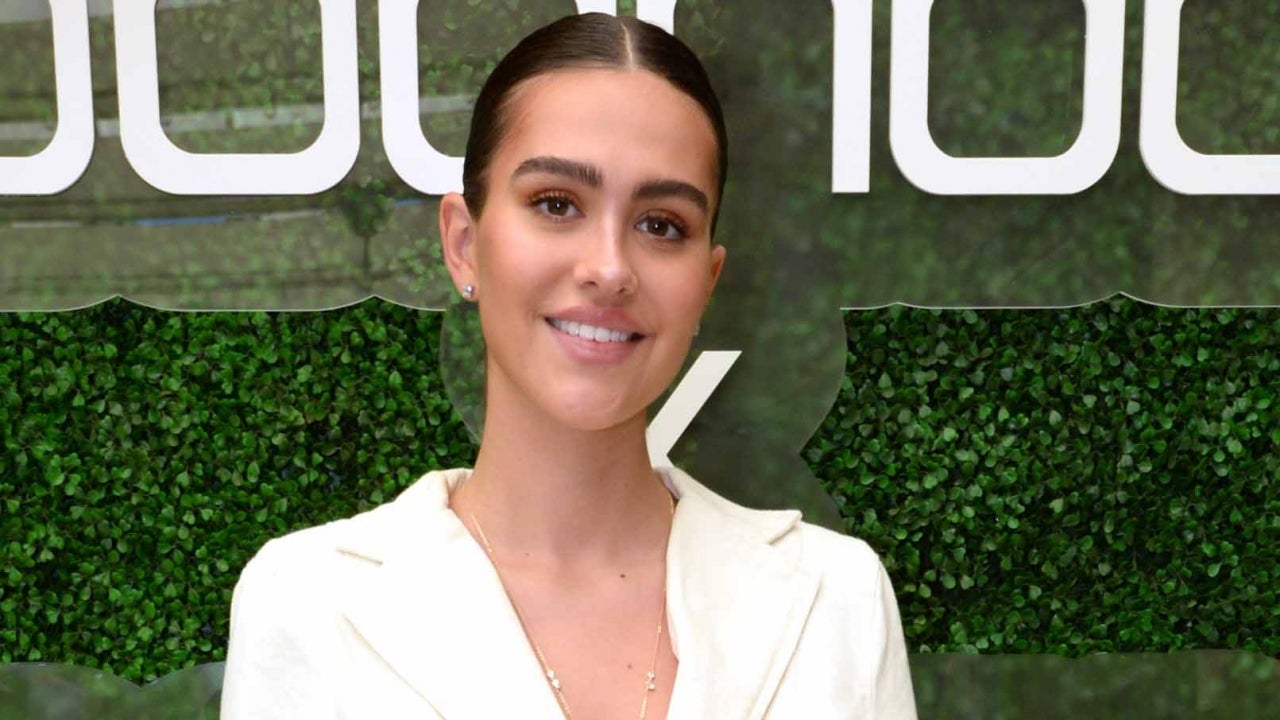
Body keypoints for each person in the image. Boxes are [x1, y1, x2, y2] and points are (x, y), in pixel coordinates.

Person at [220, 12, 916, 720]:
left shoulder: (836, 599)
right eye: (556, 204)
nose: (609, 269)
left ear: (706, 282)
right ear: (463, 245)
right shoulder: (308, 603)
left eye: (661, 224)